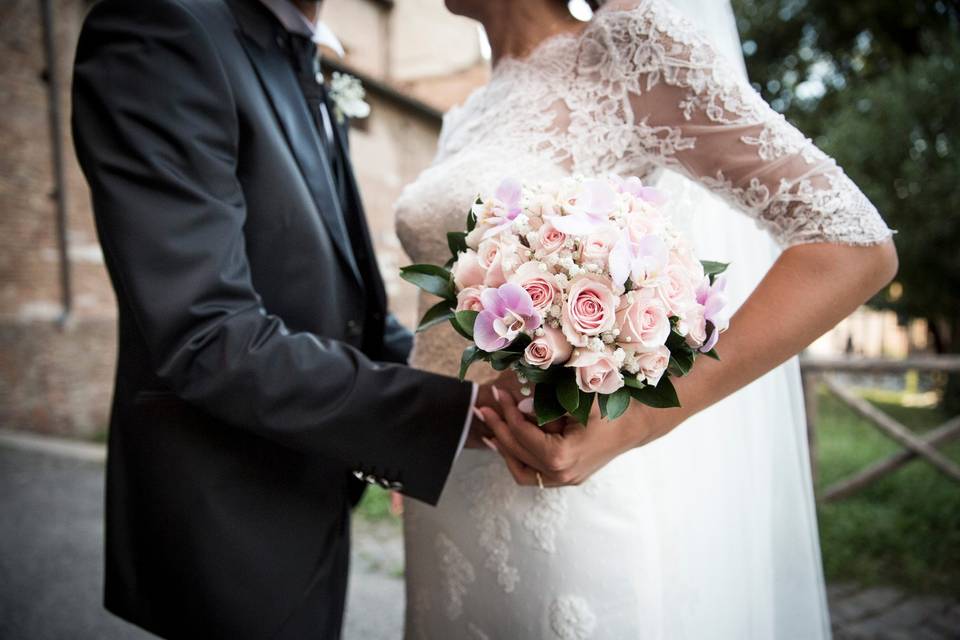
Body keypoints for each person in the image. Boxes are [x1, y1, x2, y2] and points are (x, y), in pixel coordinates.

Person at [395, 0, 897, 637]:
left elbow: (852, 246)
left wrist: (636, 423)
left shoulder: (628, 52)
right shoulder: (470, 111)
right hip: (444, 487)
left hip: (563, 495)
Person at [71, 0, 557, 638]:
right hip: (229, 515)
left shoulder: (294, 51)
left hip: (312, 482)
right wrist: (454, 414)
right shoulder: (160, 30)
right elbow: (208, 334)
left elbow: (344, 301)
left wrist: (477, 376)